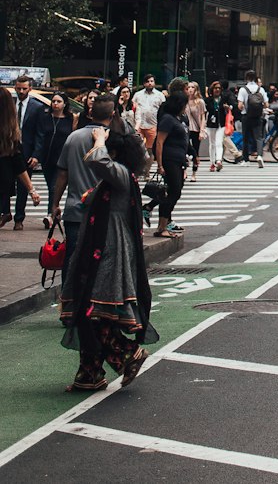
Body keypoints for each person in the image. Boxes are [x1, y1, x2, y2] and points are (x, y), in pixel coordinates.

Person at [58, 118, 158, 391]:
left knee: (94, 311)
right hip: (100, 248)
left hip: (109, 251)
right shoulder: (117, 177)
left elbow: (97, 162)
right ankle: (89, 374)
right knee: (90, 310)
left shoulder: (121, 173)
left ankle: (127, 354)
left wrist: (99, 141)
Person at [52, 94, 115, 277]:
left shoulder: (73, 138)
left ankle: (69, 300)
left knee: (72, 260)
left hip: (75, 209)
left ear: (89, 112)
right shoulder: (113, 139)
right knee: (101, 262)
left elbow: (62, 174)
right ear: (112, 115)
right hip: (104, 211)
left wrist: (55, 204)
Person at [1, 74, 45, 230]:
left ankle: (19, 218)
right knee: (6, 184)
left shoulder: (37, 107)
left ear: (30, 89)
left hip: (24, 152)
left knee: (22, 188)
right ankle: (5, 212)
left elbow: (40, 133)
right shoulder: (8, 104)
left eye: (24, 88)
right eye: (18, 88)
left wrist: (36, 155)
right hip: (8, 150)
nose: (21, 91)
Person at [153, 91, 188, 236]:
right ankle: (161, 227)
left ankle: (164, 224)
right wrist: (160, 165)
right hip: (169, 160)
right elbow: (159, 142)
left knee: (174, 192)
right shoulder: (167, 119)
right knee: (173, 192)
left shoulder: (176, 119)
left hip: (177, 159)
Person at [39, 91, 75, 229]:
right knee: (51, 187)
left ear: (64, 104)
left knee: (55, 187)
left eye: (58, 101)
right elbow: (41, 136)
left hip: (62, 158)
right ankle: (54, 212)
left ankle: (51, 214)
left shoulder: (71, 119)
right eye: (53, 101)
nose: (55, 104)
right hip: (47, 158)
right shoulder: (46, 118)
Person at [238, 70, 267, 167]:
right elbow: (266, 104)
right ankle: (259, 155)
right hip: (258, 116)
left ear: (246, 78)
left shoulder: (243, 90)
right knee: (259, 137)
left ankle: (246, 160)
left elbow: (240, 105)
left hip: (246, 116)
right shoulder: (261, 89)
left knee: (245, 138)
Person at [133, 76, 165, 155]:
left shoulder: (160, 95)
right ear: (144, 84)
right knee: (137, 147)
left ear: (154, 83)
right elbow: (133, 107)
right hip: (139, 124)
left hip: (153, 125)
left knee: (150, 149)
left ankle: (148, 165)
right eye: (147, 81)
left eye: (151, 81)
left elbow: (163, 110)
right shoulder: (138, 94)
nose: (150, 83)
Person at [204, 80, 228, 172]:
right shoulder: (208, 100)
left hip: (221, 123)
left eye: (219, 88)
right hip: (211, 123)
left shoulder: (224, 98)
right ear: (212, 89)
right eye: (215, 88)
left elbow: (232, 106)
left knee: (219, 142)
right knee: (212, 143)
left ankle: (218, 160)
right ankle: (212, 162)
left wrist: (228, 108)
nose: (217, 90)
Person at [185, 81, 206, 181]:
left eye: (192, 87)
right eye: (188, 87)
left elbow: (203, 117)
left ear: (196, 89)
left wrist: (202, 130)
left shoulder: (200, 102)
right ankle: (184, 171)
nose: (190, 89)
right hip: (185, 129)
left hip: (196, 129)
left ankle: (194, 173)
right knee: (184, 150)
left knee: (195, 152)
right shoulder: (184, 101)